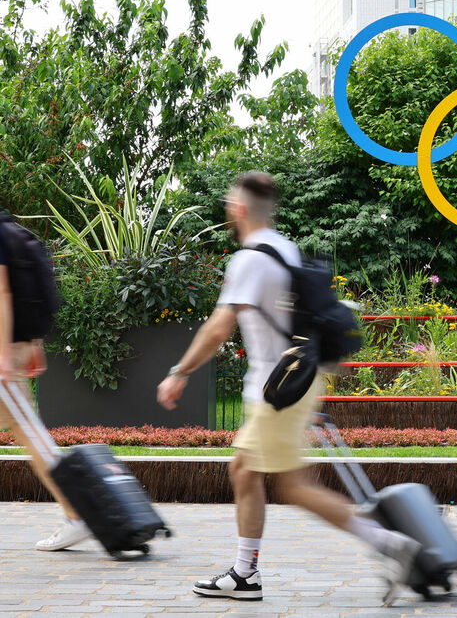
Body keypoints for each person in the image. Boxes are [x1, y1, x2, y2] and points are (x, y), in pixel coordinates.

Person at [156, 172, 419, 601]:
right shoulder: (284, 248)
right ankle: (246, 573)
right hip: (297, 378)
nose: (227, 207)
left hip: (278, 387)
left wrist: (180, 371)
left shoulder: (249, 260)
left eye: (229, 202)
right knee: (246, 470)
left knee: (293, 486)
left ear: (239, 209)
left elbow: (220, 327)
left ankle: (391, 545)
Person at [0, 217, 90, 552]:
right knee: (30, 432)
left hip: (4, 352)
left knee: (32, 435)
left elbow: (3, 291)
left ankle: (79, 515)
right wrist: (33, 342)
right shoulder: (8, 230)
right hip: (15, 346)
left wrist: (5, 356)